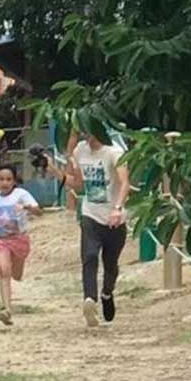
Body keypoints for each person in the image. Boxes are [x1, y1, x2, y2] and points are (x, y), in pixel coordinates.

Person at [66, 132, 130, 326]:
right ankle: (89, 300)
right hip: (90, 213)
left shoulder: (114, 152)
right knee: (89, 256)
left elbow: (125, 183)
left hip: (113, 217)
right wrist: (52, 168)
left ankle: (107, 293)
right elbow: (77, 184)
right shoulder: (80, 151)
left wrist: (117, 209)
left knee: (111, 264)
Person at [0, 164, 41, 326]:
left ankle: (17, 270)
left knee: (16, 275)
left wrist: (26, 207)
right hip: (0, 239)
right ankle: (7, 309)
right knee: (4, 271)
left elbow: (38, 211)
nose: (4, 183)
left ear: (14, 181)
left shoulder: (21, 194)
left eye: (8, 179)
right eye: (1, 179)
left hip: (19, 239)